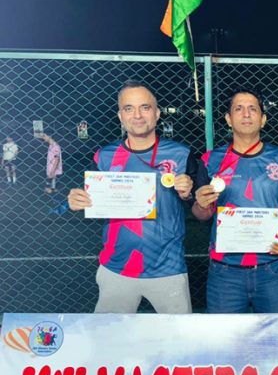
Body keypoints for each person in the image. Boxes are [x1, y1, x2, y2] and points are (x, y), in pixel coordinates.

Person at [67, 81, 195, 313]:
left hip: (168, 269)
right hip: (117, 269)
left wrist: (189, 193)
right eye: (128, 108)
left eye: (145, 107)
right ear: (120, 115)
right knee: (108, 339)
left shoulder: (182, 154)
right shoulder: (104, 156)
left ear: (157, 114)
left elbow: (201, 206)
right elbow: (89, 198)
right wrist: (76, 200)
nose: (137, 115)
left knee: (179, 342)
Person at [193, 88, 278, 313]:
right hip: (225, 271)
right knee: (224, 341)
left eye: (253, 109)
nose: (246, 114)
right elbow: (202, 215)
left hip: (272, 268)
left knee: (276, 339)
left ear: (263, 119)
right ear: (229, 120)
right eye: (238, 109)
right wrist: (201, 204)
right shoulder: (210, 160)